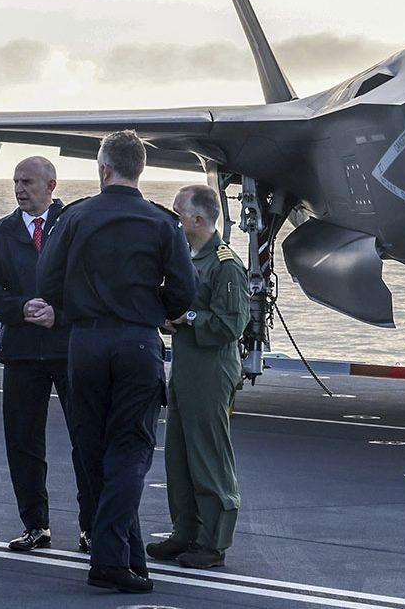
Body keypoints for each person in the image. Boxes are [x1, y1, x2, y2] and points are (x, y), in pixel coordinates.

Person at [35, 130, 197, 595]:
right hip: (137, 342)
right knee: (130, 449)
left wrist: (81, 301)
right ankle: (112, 557)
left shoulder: (75, 216)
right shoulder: (162, 223)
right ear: (139, 170)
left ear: (103, 169)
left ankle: (126, 554)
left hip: (85, 342)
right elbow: (184, 291)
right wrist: (151, 304)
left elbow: (47, 280)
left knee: (93, 449)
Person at [0, 156, 90, 552]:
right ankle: (35, 524)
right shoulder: (1, 233)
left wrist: (58, 313)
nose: (20, 188)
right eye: (16, 181)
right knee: (23, 442)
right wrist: (21, 309)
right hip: (22, 350)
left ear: (51, 185)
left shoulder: (73, 227)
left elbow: (90, 283)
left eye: (27, 181)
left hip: (68, 348)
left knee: (86, 438)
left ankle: (90, 527)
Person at [146, 184, 249, 570]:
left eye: (179, 213)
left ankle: (213, 540)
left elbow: (232, 323)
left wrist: (187, 319)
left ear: (199, 219)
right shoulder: (191, 259)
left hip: (210, 370)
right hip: (187, 368)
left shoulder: (224, 264)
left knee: (209, 456)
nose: (175, 220)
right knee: (179, 455)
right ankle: (185, 532)